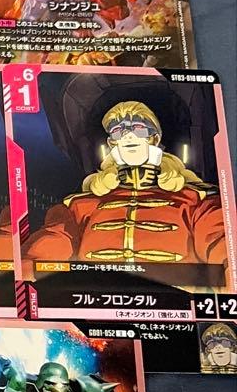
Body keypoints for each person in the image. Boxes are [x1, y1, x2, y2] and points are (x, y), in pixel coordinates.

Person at [24, 100, 226, 273]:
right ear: (112, 144)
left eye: (138, 128)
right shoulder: (81, 205)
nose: (128, 136)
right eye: (118, 131)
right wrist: (29, 268)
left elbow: (221, 244)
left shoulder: (195, 200)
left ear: (154, 138)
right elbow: (53, 241)